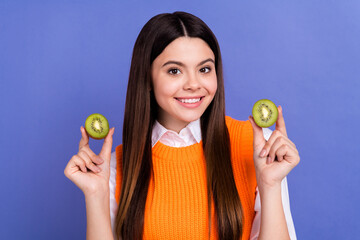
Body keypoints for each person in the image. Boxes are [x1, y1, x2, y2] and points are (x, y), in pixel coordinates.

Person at [64, 11, 300, 240]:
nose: (194, 84)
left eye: (204, 69)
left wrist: (270, 185)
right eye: (175, 71)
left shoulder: (258, 147)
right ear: (147, 78)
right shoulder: (117, 166)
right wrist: (95, 195)